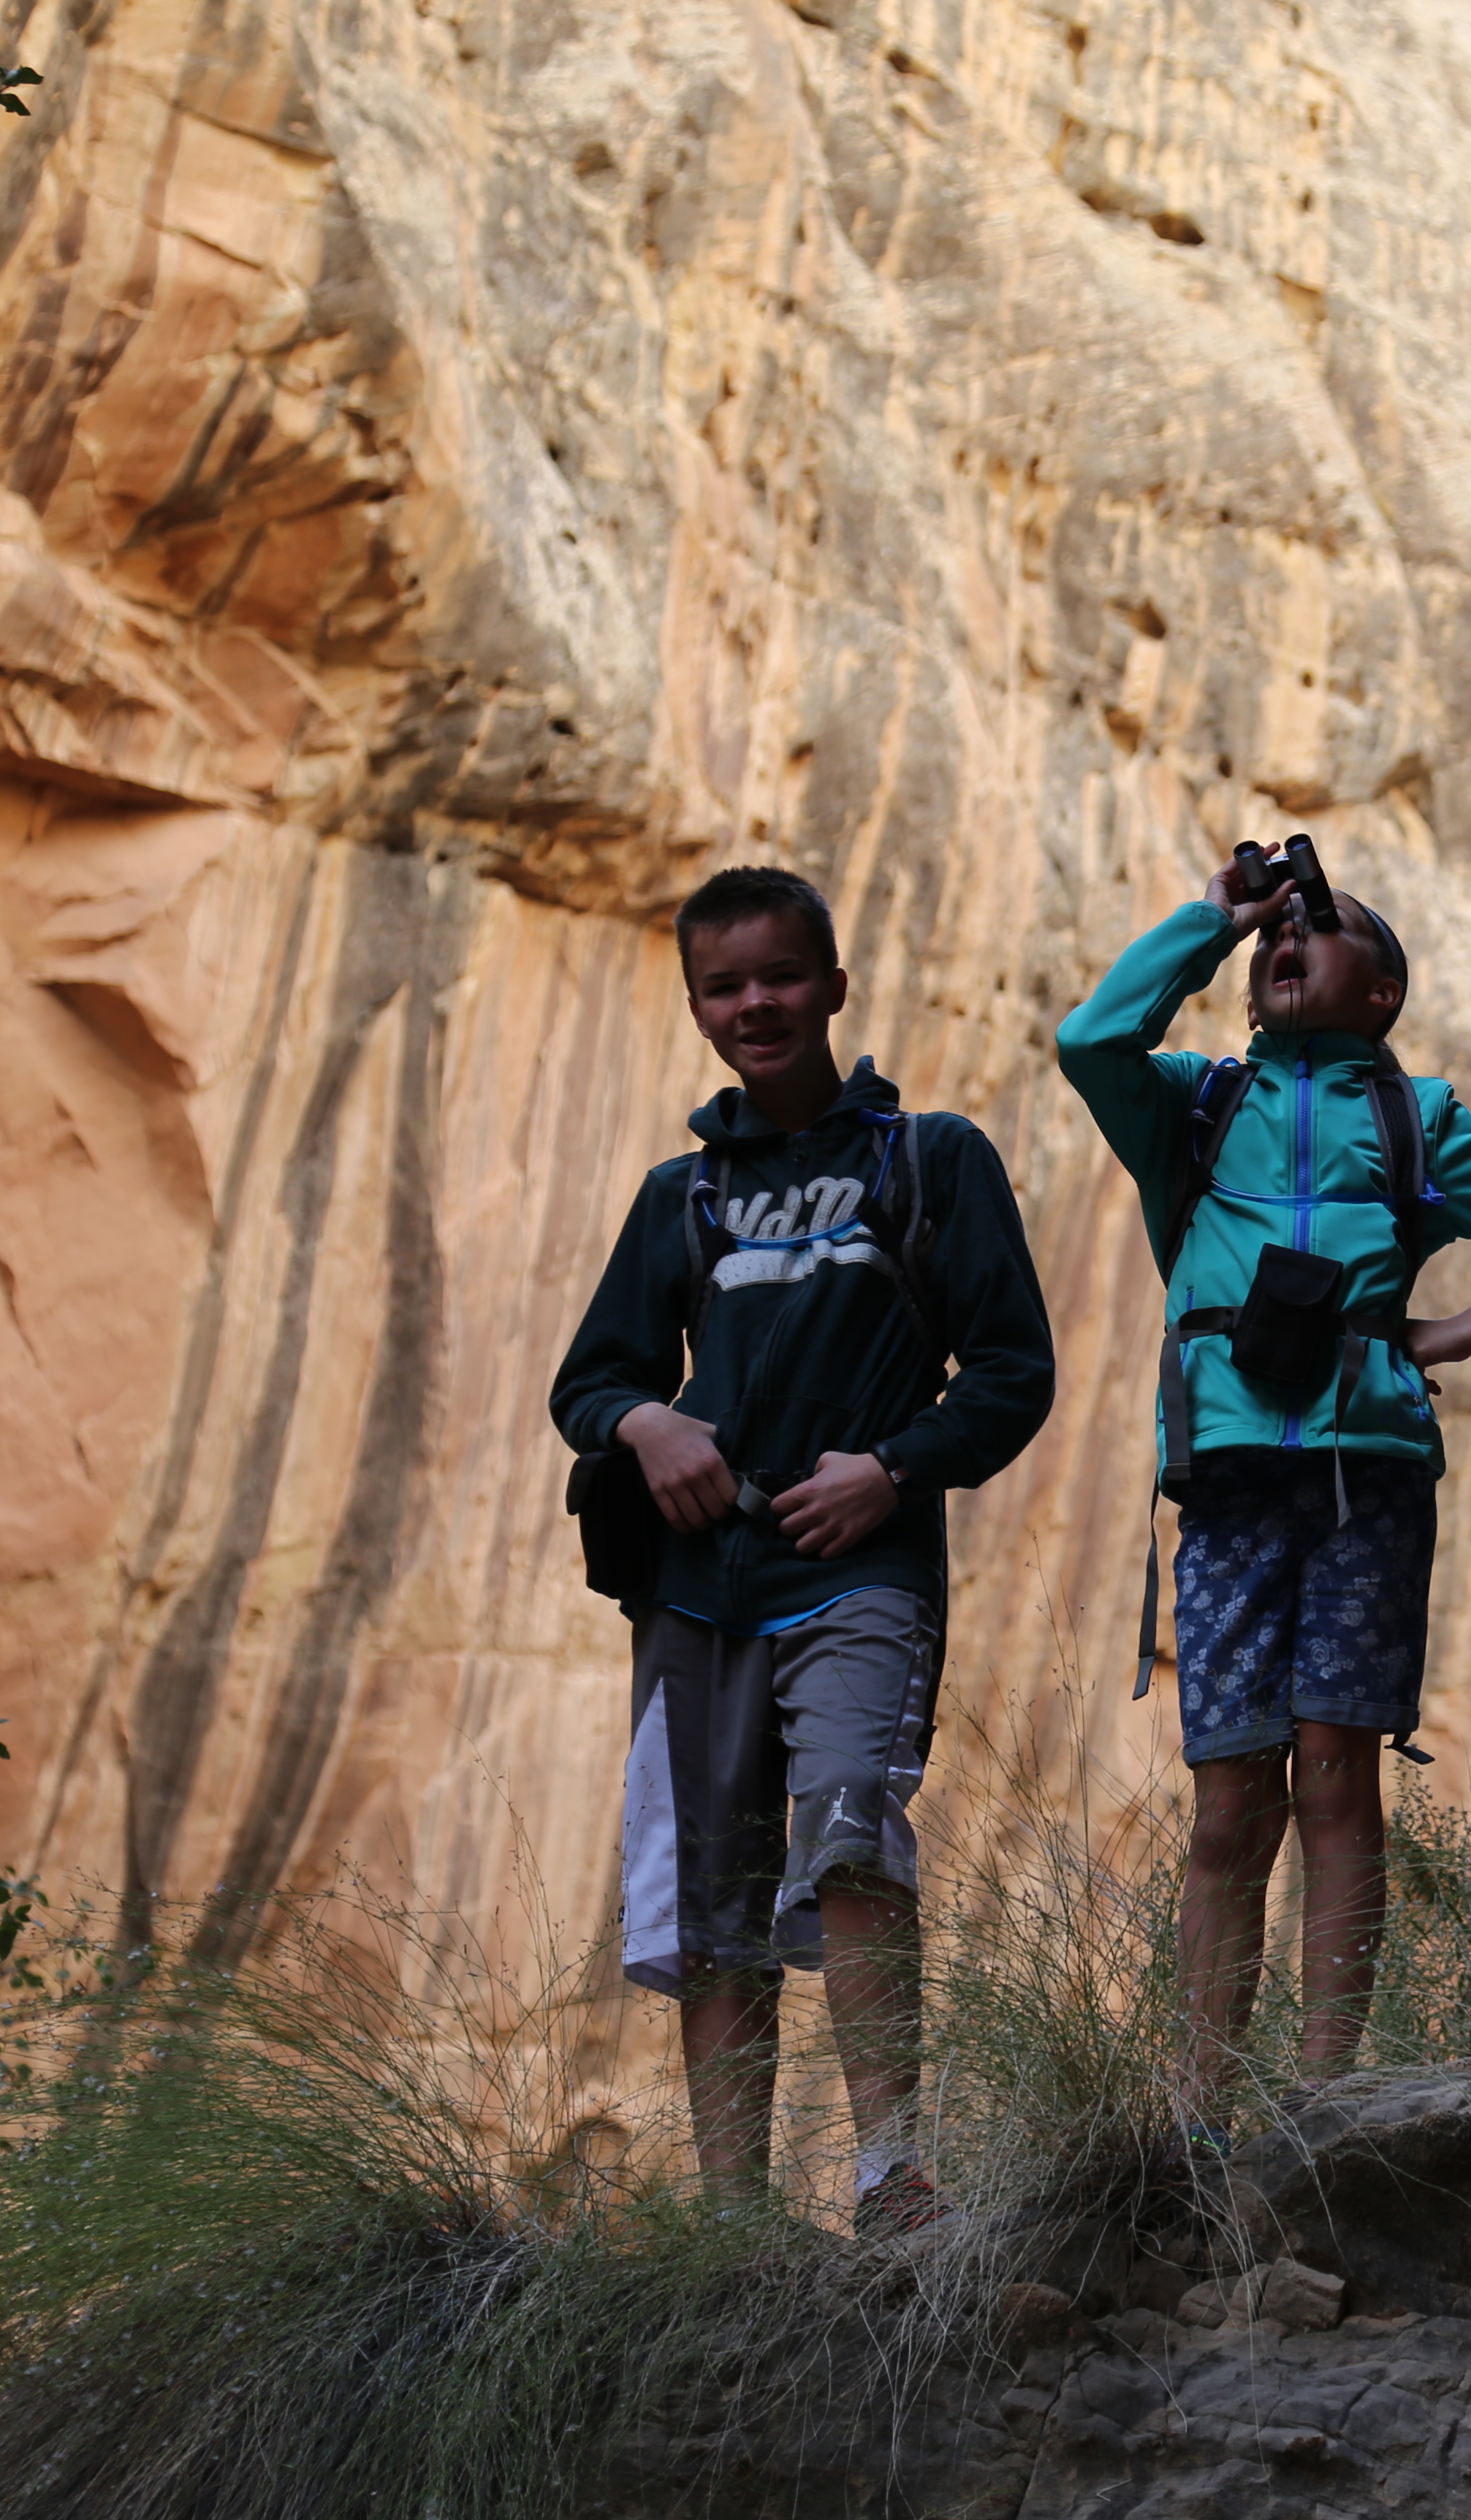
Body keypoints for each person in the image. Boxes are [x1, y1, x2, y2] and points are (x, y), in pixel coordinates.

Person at [1057, 844, 1471, 2088]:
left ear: (1383, 993)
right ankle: (1204, 2102)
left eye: (1323, 924)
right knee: (1227, 1803)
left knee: (1336, 1785)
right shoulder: (1194, 1107)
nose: (1287, 934)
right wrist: (1215, 916)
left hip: (1367, 1481)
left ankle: (1321, 2094)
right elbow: (1092, 1039)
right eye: (1271, 936)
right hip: (1229, 1479)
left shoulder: (1415, 1119)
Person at [552, 865, 1054, 2231]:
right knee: (712, 1888)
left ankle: (890, 2172)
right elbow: (589, 1381)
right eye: (724, 984)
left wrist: (891, 1470)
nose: (754, 1004)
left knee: (847, 1834)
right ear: (697, 1002)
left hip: (857, 1568)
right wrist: (649, 1423)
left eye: (780, 975)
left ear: (833, 983)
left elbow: (1010, 1370)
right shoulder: (681, 1193)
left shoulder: (929, 1159)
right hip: (698, 1585)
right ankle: (734, 2216)